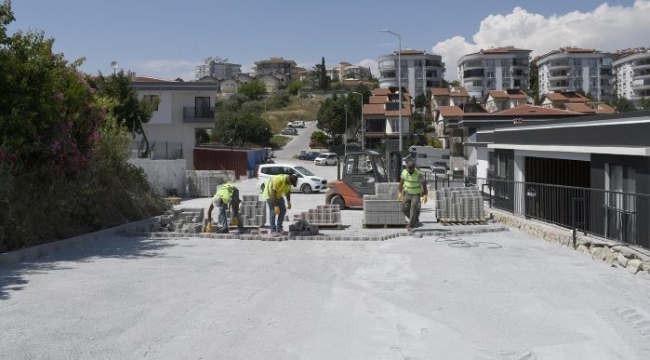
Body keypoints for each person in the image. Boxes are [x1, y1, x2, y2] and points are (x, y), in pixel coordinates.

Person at [398, 159, 428, 231]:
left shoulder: (418, 174)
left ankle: (411, 225)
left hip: (416, 194)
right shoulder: (404, 172)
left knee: (413, 208)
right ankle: (414, 219)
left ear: (413, 168)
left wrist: (425, 195)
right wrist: (399, 192)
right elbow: (401, 183)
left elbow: (424, 185)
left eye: (410, 169)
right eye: (408, 169)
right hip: (407, 193)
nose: (409, 171)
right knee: (404, 209)